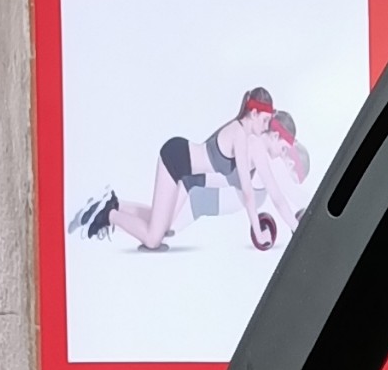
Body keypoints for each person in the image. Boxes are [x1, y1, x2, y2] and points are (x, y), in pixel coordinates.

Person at [71, 89, 311, 252]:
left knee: (161, 224)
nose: (266, 125)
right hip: (176, 161)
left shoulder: (250, 140)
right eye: (265, 121)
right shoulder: (246, 139)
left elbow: (274, 194)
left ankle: (115, 203)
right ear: (255, 114)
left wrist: (294, 227)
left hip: (186, 175)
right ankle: (107, 214)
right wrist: (259, 232)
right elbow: (251, 193)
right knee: (153, 239)